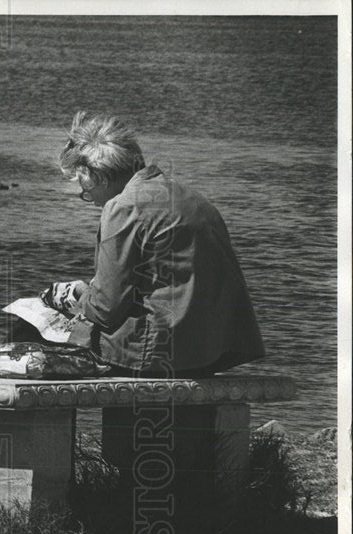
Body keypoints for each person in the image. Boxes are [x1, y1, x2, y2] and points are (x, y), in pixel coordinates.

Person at [44, 111, 265, 377]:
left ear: (97, 176)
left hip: (157, 354)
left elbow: (105, 309)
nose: (89, 198)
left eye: (85, 191)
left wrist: (78, 297)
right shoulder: (193, 199)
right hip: (212, 351)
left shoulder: (123, 207)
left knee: (33, 332)